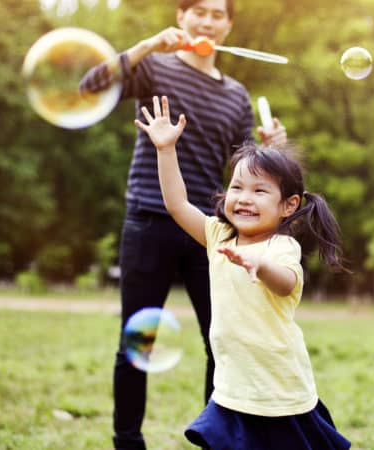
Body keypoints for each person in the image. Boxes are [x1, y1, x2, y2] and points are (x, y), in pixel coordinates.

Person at [78, 1, 287, 448]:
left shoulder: (235, 95)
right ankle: (128, 442)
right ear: (181, 17)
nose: (207, 21)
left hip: (208, 229)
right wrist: (148, 45)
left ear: (229, 25)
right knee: (136, 342)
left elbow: (244, 170)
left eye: (217, 14)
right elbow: (89, 85)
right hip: (149, 218)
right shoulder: (154, 68)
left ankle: (217, 440)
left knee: (223, 342)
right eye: (199, 11)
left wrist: (272, 150)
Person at [135, 95, 351, 449]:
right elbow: (176, 205)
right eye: (237, 187)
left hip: (279, 390)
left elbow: (286, 283)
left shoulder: (282, 247)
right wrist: (165, 149)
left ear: (288, 205)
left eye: (259, 191)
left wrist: (261, 266)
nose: (244, 198)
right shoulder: (219, 234)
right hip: (234, 388)